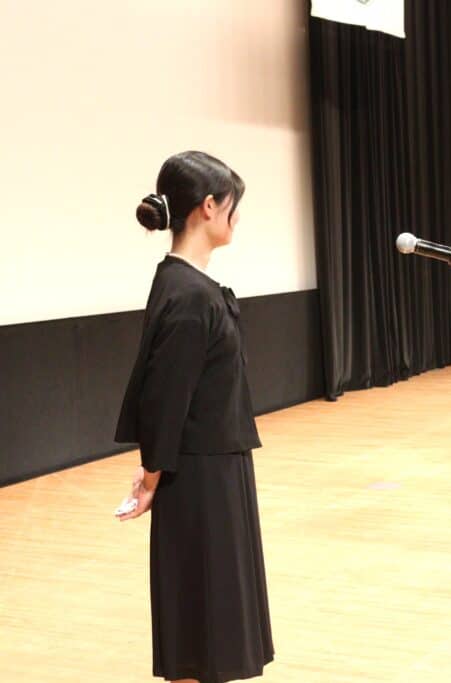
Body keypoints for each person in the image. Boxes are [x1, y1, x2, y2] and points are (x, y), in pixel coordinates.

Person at [114, 151, 274, 682]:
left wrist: (153, 471)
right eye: (231, 205)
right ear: (208, 207)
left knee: (208, 625)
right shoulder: (188, 295)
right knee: (201, 627)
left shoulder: (186, 286)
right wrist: (151, 477)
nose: (236, 217)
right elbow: (165, 398)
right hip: (201, 480)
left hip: (214, 470)